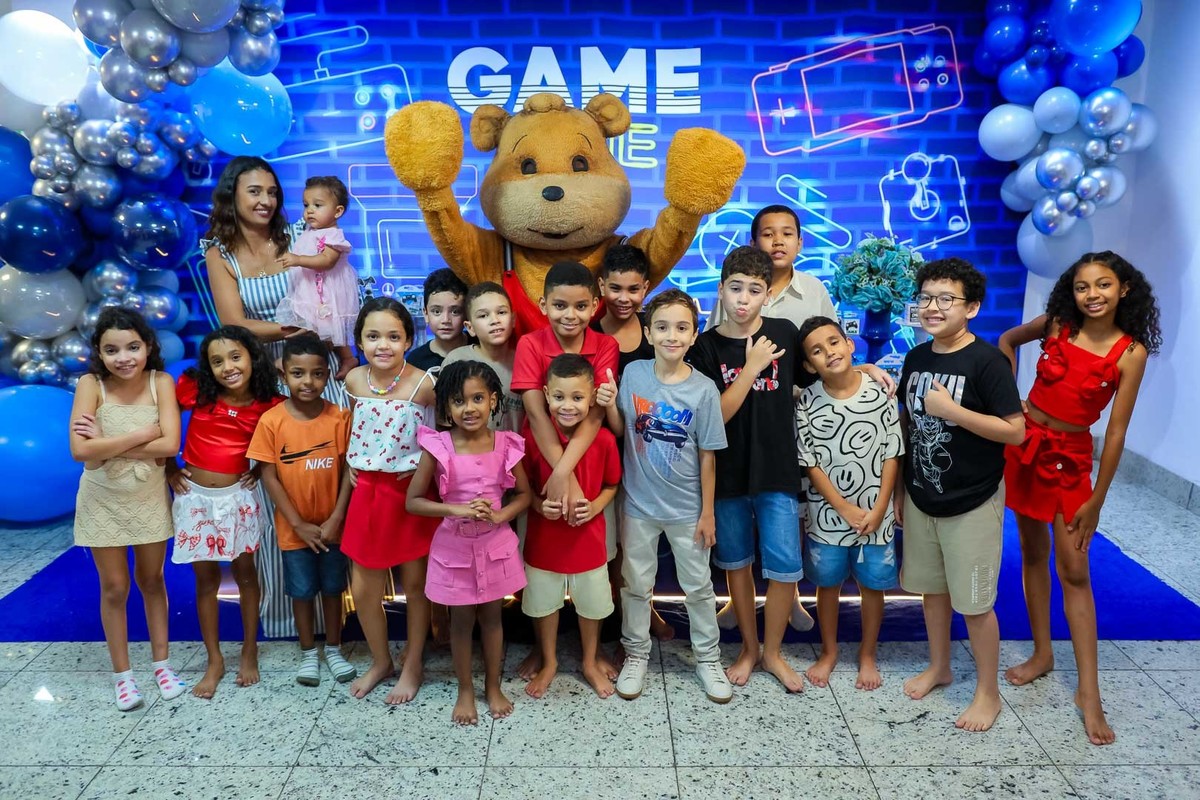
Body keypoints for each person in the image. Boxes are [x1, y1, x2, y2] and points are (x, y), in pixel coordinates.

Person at [998, 251, 1160, 746]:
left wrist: (1097, 500)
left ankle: (1090, 692)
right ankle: (1042, 653)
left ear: (1124, 289)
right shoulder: (1057, 324)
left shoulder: (1130, 352)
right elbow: (1007, 340)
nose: (1093, 295)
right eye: (1083, 286)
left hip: (1070, 461)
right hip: (1026, 447)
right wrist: (1010, 402)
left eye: (1103, 285)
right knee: (1032, 553)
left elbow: (1116, 433)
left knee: (1074, 570)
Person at [202, 156, 349, 641]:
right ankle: (291, 621)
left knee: (334, 485)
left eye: (271, 192)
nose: (266, 200)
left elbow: (334, 286)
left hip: (319, 375)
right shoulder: (219, 253)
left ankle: (343, 614)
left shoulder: (301, 234)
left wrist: (340, 348)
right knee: (276, 497)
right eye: (254, 191)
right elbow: (234, 324)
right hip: (266, 384)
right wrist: (296, 329)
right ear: (232, 196)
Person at [896, 257, 1025, 733]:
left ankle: (988, 692)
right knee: (932, 591)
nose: (933, 307)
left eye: (946, 299)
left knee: (974, 604)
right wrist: (901, 491)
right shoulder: (916, 357)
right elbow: (908, 424)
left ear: (971, 308)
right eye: (926, 298)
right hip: (922, 495)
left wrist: (953, 411)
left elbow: (1015, 432)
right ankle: (939, 666)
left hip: (973, 499)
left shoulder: (987, 362)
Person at [595, 288, 733, 704]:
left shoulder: (704, 390)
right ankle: (636, 653)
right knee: (636, 585)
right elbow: (621, 430)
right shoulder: (634, 375)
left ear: (694, 335)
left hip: (688, 509)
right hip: (638, 505)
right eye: (662, 327)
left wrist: (707, 512)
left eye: (681, 328)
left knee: (699, 587)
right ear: (648, 332)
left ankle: (708, 658)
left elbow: (708, 456)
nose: (672, 335)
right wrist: (608, 404)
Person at [688, 246, 809, 692]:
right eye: (735, 289)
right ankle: (749, 647)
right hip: (729, 474)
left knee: (784, 567)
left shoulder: (784, 333)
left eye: (754, 290)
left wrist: (867, 367)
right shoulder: (706, 346)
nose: (743, 299)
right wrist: (752, 365)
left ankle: (773, 652)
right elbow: (714, 416)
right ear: (721, 290)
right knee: (736, 563)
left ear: (768, 295)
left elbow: (818, 374)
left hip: (777, 470)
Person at [406, 360, 533, 725]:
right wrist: (456, 509)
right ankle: (465, 690)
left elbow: (524, 495)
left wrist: (501, 515)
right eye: (459, 401)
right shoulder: (438, 446)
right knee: (460, 621)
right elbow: (413, 501)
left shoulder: (506, 444)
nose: (469, 408)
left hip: (495, 545)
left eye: (477, 398)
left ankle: (492, 686)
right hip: (455, 548)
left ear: (493, 400)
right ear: (446, 407)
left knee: (493, 618)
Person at [69, 308, 183, 711]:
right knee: (115, 587)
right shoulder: (90, 384)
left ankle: (162, 666)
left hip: (147, 497)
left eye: (132, 347)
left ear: (147, 346)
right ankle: (123, 676)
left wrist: (107, 445)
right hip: (102, 499)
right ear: (99, 353)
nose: (124, 358)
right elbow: (80, 451)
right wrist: (143, 435)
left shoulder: (160, 382)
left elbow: (170, 445)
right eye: (112, 350)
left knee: (152, 579)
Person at [509, 260, 619, 681]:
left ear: (595, 305)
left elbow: (596, 414)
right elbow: (537, 415)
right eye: (559, 306)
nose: (569, 315)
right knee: (540, 573)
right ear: (543, 305)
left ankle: (591, 655)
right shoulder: (530, 344)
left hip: (582, 460)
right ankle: (545, 654)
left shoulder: (605, 345)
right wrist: (562, 476)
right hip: (542, 460)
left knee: (594, 571)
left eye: (579, 306)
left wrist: (566, 475)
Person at [169, 325, 282, 699]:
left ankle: (249, 649)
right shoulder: (195, 391)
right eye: (217, 361)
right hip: (194, 499)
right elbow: (160, 422)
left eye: (235, 357)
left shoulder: (270, 403)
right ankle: (214, 659)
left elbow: (282, 443)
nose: (228, 367)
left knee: (246, 574)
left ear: (252, 357)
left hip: (238, 498)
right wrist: (168, 467)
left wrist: (259, 469)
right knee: (206, 581)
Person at [794, 316, 904, 692]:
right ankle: (829, 651)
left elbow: (892, 452)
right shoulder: (807, 402)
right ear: (809, 365)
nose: (829, 352)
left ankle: (868, 654)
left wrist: (881, 507)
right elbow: (810, 462)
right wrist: (842, 507)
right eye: (817, 351)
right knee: (828, 585)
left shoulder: (880, 392)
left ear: (849, 344)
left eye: (833, 342)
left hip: (876, 515)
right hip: (827, 517)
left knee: (873, 586)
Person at [341, 297, 439, 702]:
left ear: (409, 340)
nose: (383, 345)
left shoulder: (424, 383)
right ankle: (381, 660)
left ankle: (413, 663)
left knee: (415, 586)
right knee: (364, 588)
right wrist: (351, 465)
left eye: (394, 336)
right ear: (360, 340)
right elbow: (353, 430)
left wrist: (423, 470)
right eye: (373, 336)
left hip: (409, 495)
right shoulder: (353, 381)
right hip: (367, 493)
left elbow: (443, 437)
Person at [247, 334, 356, 688]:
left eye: (317, 374)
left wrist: (337, 517)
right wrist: (297, 524)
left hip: (332, 528)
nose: (307, 382)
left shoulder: (340, 417)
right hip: (294, 532)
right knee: (302, 591)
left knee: (334, 588)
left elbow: (348, 470)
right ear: (284, 375)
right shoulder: (271, 421)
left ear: (327, 375)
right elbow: (268, 475)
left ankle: (334, 649)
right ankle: (309, 651)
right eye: (298, 373)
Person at [522, 353, 622, 699]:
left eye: (578, 397)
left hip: (588, 542)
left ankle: (590, 660)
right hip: (543, 542)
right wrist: (540, 505)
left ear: (593, 397)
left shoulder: (604, 440)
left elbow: (612, 485)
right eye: (559, 397)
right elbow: (523, 489)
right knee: (543, 604)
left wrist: (594, 507)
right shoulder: (532, 437)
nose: (568, 406)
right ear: (546, 395)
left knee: (592, 606)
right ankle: (549, 660)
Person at [591, 244, 674, 643]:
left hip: (646, 451)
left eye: (633, 289)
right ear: (601, 286)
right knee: (609, 541)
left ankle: (642, 608)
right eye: (615, 288)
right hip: (600, 448)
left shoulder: (654, 332)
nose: (624, 298)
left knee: (638, 543)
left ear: (646, 288)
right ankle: (610, 609)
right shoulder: (589, 332)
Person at [275, 176, 362, 380]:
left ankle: (347, 357)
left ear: (337, 211)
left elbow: (327, 261)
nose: (310, 211)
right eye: (306, 205)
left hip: (329, 289)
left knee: (332, 326)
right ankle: (298, 359)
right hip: (311, 288)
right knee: (314, 327)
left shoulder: (333, 235)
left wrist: (298, 259)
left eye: (317, 205)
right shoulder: (309, 231)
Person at [441, 281, 524, 433]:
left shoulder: (525, 361)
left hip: (516, 447)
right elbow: (445, 421)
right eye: (483, 315)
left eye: (501, 312)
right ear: (470, 327)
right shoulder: (456, 360)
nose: (495, 321)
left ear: (513, 320)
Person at [407, 267, 468, 374]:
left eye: (455, 312)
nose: (446, 320)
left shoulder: (481, 348)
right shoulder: (415, 361)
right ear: (425, 314)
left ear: (466, 314)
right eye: (436, 311)